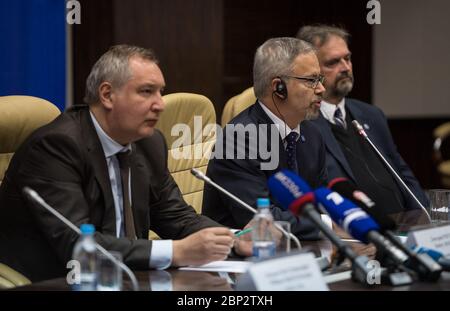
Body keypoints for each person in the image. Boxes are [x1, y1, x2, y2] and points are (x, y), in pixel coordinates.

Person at [0, 45, 249, 282]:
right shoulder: (57, 147)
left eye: (160, 92)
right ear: (107, 95)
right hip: (58, 279)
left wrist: (236, 238)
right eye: (146, 91)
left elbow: (177, 217)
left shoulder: (148, 143)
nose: (160, 104)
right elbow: (76, 244)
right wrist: (176, 251)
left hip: (129, 277)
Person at [202, 37, 327, 240]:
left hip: (300, 249)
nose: (321, 89)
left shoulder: (312, 134)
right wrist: (326, 223)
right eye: (311, 80)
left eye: (320, 79)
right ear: (278, 87)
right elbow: (262, 220)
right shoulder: (239, 139)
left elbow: (321, 201)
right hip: (241, 260)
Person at [297, 25, 428, 214]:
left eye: (347, 58)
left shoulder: (371, 114)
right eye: (333, 62)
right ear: (310, 71)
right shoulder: (302, 124)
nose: (345, 67)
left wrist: (425, 216)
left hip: (403, 225)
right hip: (356, 233)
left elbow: (402, 173)